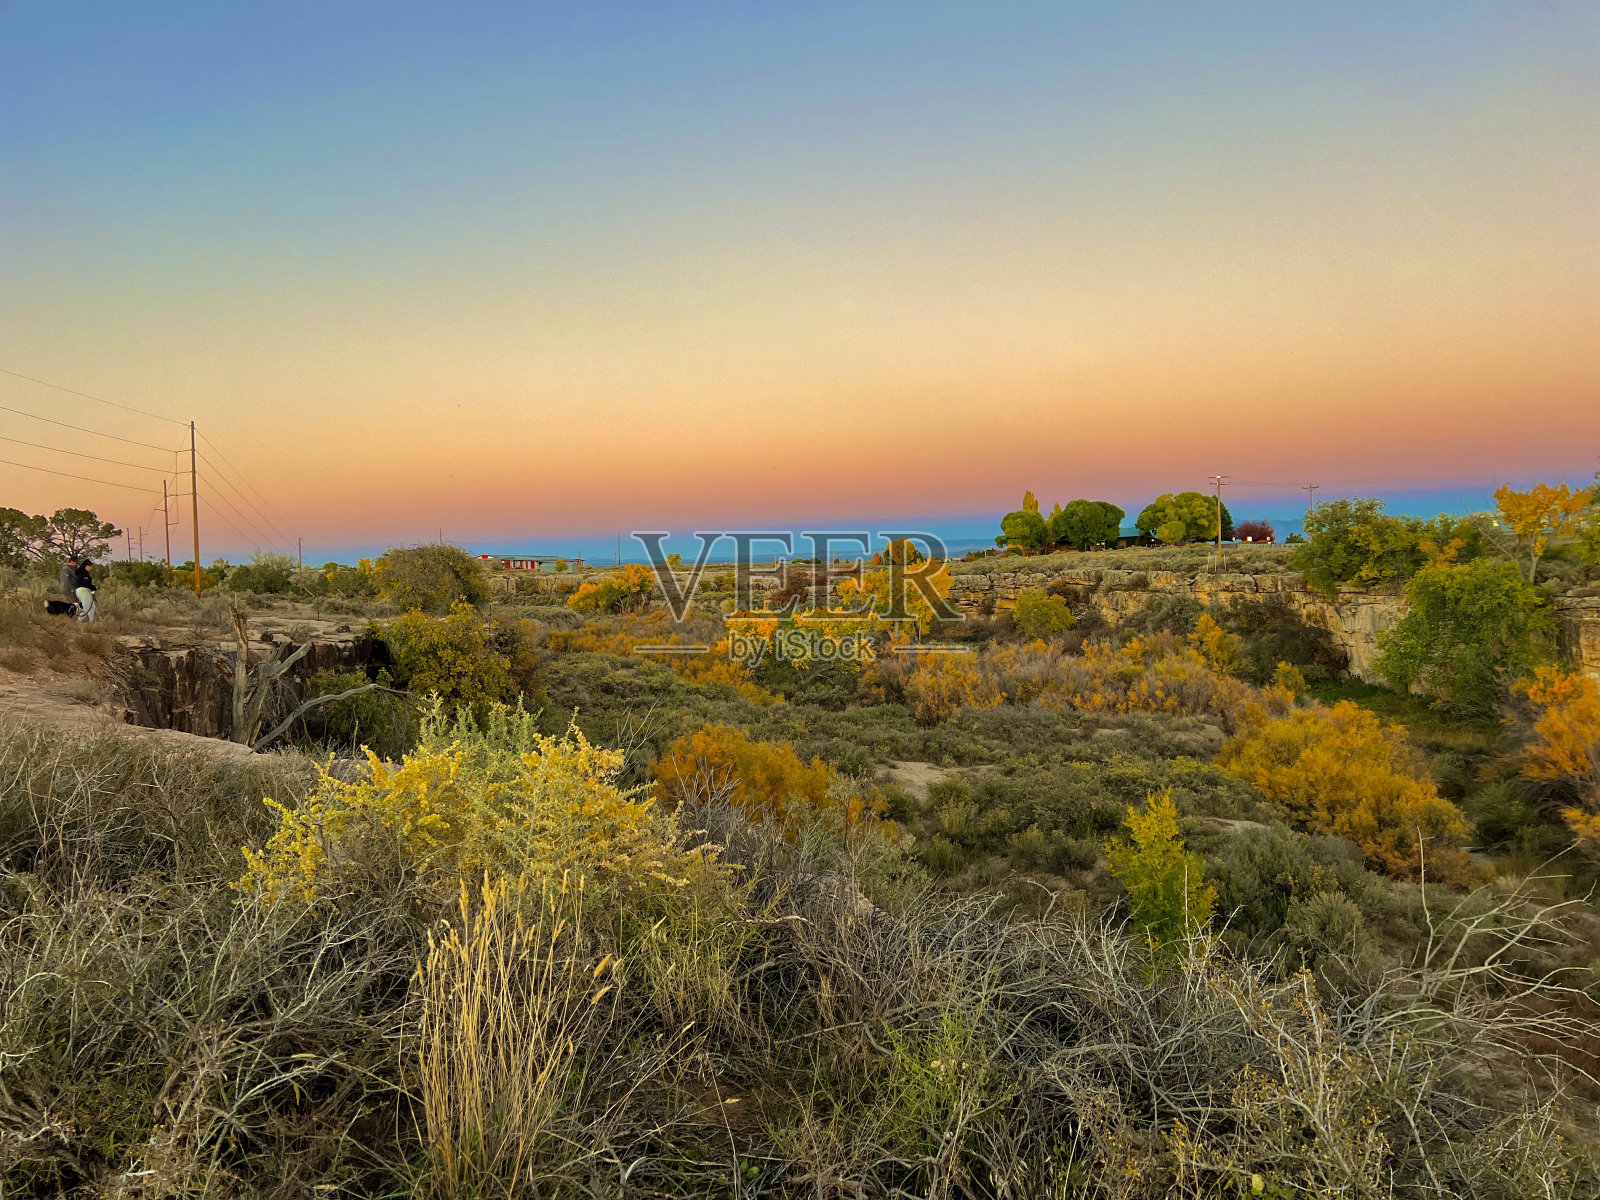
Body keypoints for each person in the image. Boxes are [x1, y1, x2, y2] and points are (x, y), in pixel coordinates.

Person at [73, 558, 97, 623]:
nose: (91, 568)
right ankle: (78, 622)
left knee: (92, 607)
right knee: (87, 607)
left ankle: (91, 622)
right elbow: (86, 584)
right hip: (83, 591)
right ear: (87, 566)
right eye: (91, 566)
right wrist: (93, 587)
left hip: (83, 591)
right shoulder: (84, 574)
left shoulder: (83, 573)